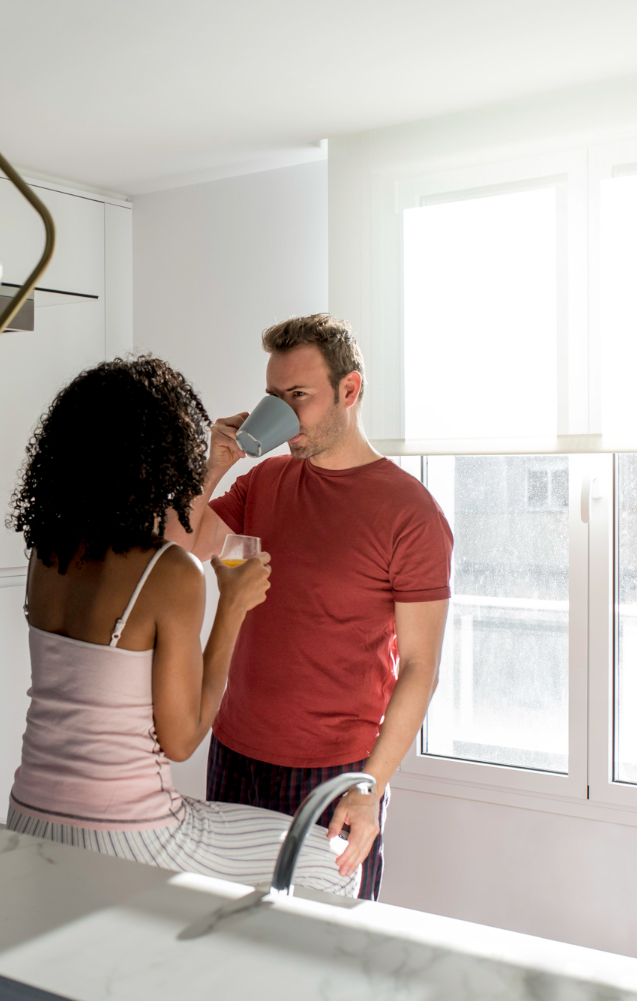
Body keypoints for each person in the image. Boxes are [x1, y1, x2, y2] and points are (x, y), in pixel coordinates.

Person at [6, 356, 359, 896]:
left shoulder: (47, 552)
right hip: (129, 834)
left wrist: (214, 471)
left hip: (29, 817)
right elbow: (182, 739)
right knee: (325, 856)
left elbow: (151, 551)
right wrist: (232, 607)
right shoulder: (169, 573)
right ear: (158, 455)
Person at [165, 313, 452, 902]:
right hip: (235, 755)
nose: (285, 414)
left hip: (335, 776)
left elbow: (420, 667)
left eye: (299, 396)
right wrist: (215, 465)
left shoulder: (411, 514)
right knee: (229, 944)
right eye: (274, 397)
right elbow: (182, 546)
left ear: (350, 390)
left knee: (327, 960)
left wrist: (369, 788)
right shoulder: (266, 481)